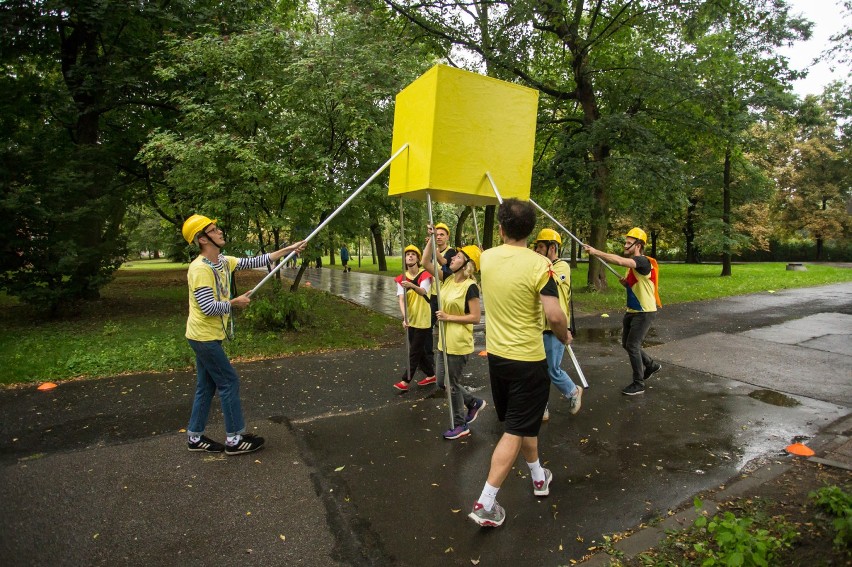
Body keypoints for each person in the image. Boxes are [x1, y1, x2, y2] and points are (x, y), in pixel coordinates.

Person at [468, 199, 570, 528]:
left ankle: (539, 478)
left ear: (500, 228)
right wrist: (563, 333)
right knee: (514, 430)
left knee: (522, 422)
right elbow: (554, 314)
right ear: (530, 230)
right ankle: (486, 504)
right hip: (528, 361)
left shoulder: (486, 258)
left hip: (497, 360)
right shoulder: (541, 266)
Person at [181, 214, 306, 454]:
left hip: (207, 335)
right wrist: (235, 302)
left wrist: (290, 248)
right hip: (204, 337)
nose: (220, 232)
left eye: (217, 228)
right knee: (228, 382)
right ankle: (234, 440)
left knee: (206, 386)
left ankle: (194, 437)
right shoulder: (199, 269)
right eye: (214, 230)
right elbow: (208, 308)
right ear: (202, 239)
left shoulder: (222, 261)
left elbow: (259, 260)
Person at [423, 230, 487, 440]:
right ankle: (473, 402)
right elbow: (426, 262)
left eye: (458, 256)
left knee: (451, 384)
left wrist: (449, 317)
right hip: (443, 342)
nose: (453, 258)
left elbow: (475, 317)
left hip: (458, 344)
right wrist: (432, 239)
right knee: (442, 382)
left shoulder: (470, 287)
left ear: (466, 263)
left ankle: (461, 424)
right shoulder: (449, 278)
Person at [583, 227, 662, 396]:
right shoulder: (635, 264)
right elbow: (640, 284)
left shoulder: (642, 261)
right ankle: (651, 365)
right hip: (632, 310)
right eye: (625, 242)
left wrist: (596, 252)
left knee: (633, 345)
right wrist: (627, 284)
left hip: (644, 311)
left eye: (628, 243)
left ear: (638, 245)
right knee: (626, 343)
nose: (625, 245)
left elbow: (618, 261)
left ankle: (638, 383)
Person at [533, 229, 582, 420]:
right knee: (538, 369)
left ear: (552, 248)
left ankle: (573, 391)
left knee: (552, 369)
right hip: (538, 325)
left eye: (540, 247)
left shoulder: (561, 267)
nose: (537, 250)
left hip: (555, 327)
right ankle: (541, 406)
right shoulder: (540, 266)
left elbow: (547, 278)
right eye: (536, 247)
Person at [392, 245, 436, 391]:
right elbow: (401, 299)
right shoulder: (401, 278)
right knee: (419, 350)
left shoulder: (425, 275)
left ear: (418, 258)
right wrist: (405, 318)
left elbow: (423, 291)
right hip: (411, 319)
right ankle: (431, 374)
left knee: (415, 350)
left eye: (413, 254)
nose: (410, 256)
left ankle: (406, 380)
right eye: (407, 255)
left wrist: (411, 285)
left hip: (423, 317)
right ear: (405, 259)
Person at [428, 222, 457, 385]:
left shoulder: (450, 251)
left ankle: (448, 369)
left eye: (441, 235)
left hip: (445, 295)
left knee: (445, 330)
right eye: (436, 235)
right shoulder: (434, 249)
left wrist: (431, 243)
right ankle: (435, 368)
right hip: (433, 294)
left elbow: (443, 262)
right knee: (430, 329)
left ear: (447, 237)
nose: (438, 237)